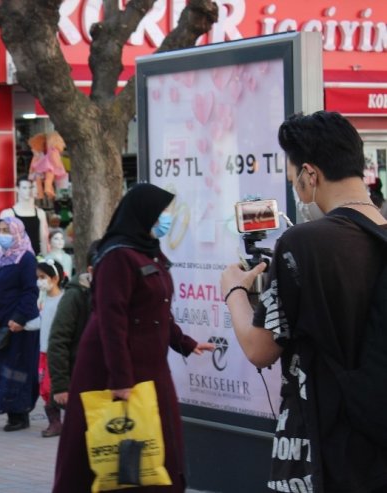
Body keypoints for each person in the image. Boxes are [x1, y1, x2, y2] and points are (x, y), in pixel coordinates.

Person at [221, 111, 387, 492]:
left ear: (310, 174)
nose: (296, 189)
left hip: (325, 443)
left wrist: (234, 290)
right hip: (377, 440)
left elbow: (260, 349)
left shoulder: (304, 243)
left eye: (294, 178)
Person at [53, 183, 214, 493]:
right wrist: (120, 379)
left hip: (150, 368)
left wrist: (186, 343)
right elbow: (111, 322)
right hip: (114, 369)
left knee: (157, 449)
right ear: (143, 213)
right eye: (160, 212)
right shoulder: (117, 256)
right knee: (108, 452)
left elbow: (159, 310)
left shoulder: (148, 253)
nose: (165, 218)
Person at [0, 217, 40, 431]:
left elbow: (30, 291)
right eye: (0, 230)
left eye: (7, 230)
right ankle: (8, 409)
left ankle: (19, 413)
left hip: (18, 327)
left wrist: (20, 318)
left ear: (18, 232)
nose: (3, 234)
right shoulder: (2, 259)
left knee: (16, 371)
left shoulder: (26, 259)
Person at [47, 240, 99, 409]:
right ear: (91, 270)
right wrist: (61, 386)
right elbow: (58, 340)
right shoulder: (75, 295)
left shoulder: (116, 293)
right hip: (81, 380)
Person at [33, 258, 66, 437]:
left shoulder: (64, 300)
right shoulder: (43, 300)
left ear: (55, 278)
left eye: (43, 277)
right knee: (44, 389)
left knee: (52, 387)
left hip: (56, 351)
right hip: (43, 351)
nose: (40, 281)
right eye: (38, 277)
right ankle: (55, 422)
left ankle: (58, 423)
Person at [0, 175, 49, 255]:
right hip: (15, 260)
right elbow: (1, 243)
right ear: (17, 189)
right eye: (24, 188)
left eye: (30, 188)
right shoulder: (7, 214)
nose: (28, 191)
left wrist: (46, 260)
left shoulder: (40, 213)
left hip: (34, 258)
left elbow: (44, 240)